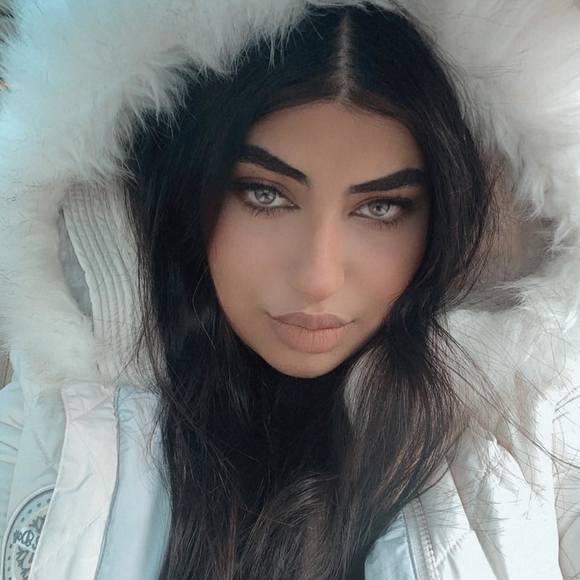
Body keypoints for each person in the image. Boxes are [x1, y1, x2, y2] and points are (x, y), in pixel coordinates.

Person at [0, 1, 579, 579]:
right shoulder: (45, 426)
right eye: (265, 194)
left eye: (381, 207)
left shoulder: (542, 437)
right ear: (182, 193)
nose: (318, 277)